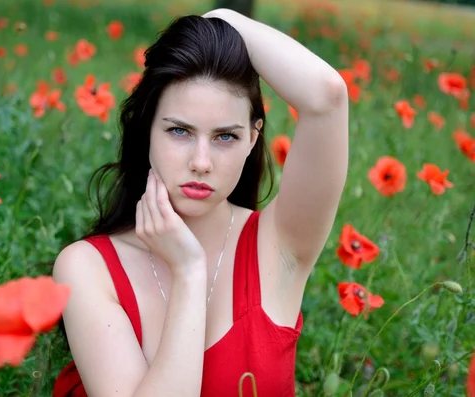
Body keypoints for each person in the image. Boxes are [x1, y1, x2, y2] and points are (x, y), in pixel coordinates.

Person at [52, 8, 348, 397]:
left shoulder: (277, 244)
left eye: (225, 136)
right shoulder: (89, 268)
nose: (201, 162)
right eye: (179, 131)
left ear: (253, 139)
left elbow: (327, 95)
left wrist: (223, 18)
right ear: (147, 129)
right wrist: (189, 272)